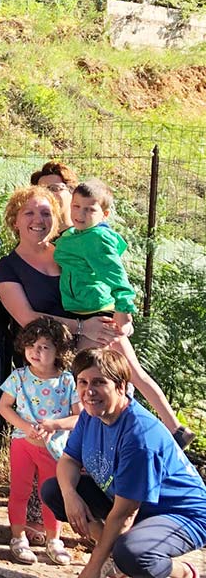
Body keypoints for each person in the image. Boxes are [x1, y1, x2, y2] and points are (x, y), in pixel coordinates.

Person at [0, 187, 189, 444]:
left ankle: (166, 434)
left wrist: (120, 314)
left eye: (46, 213)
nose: (38, 219)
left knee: (124, 382)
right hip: (50, 361)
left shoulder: (68, 249)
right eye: (29, 213)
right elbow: (27, 318)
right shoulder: (7, 267)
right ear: (14, 220)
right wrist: (83, 326)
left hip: (96, 329)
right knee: (90, 400)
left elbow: (108, 276)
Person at [41, 348, 206, 578]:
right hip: (131, 502)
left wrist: (94, 565)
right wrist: (70, 495)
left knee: (134, 555)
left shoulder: (139, 436)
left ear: (121, 387)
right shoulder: (90, 414)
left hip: (182, 514)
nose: (89, 391)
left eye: (99, 382)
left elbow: (125, 514)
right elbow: (69, 460)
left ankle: (183, 575)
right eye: (83, 382)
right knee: (55, 491)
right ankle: (115, 555)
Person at [55, 179, 185, 440]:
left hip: (98, 316)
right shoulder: (74, 235)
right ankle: (173, 428)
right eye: (76, 206)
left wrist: (124, 312)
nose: (80, 214)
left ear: (104, 214)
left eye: (89, 209)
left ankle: (166, 430)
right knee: (121, 375)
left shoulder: (98, 239)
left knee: (104, 378)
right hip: (83, 312)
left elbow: (118, 278)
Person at [0, 317, 78, 566]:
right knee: (19, 491)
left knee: (51, 494)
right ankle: (18, 537)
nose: (36, 351)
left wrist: (55, 425)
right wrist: (25, 427)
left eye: (44, 346)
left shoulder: (67, 381)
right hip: (22, 444)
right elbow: (4, 406)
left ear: (59, 351)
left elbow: (79, 417)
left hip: (55, 449)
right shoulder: (19, 377)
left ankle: (54, 540)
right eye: (31, 345)